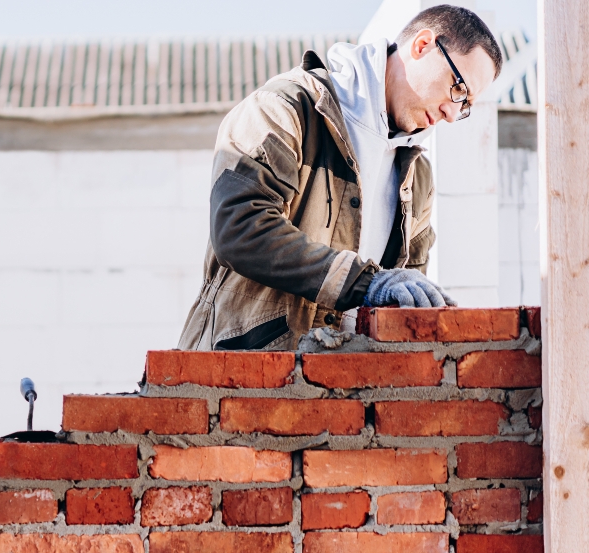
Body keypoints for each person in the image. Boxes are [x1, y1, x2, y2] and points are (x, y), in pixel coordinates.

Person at [178, 5, 502, 351]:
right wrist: (366, 283)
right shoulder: (285, 108)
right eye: (458, 87)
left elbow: (406, 303)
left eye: (466, 104)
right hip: (239, 373)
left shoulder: (417, 175)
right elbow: (240, 229)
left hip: (341, 382)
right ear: (423, 45)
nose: (452, 113)